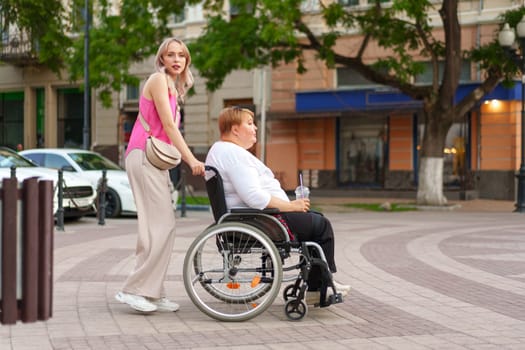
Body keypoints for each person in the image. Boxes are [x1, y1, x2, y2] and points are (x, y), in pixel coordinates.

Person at [205, 106, 350, 301]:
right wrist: (292, 206)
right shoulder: (233, 154)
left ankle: (320, 282)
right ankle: (318, 287)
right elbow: (254, 196)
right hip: (260, 219)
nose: (255, 128)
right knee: (320, 225)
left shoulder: (223, 151)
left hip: (257, 217)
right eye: (249, 123)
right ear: (235, 129)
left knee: (316, 219)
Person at [115, 37, 205, 313]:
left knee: (161, 226)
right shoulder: (156, 79)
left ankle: (152, 291)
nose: (176, 59)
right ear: (162, 59)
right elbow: (167, 125)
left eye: (181, 55)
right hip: (143, 154)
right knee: (160, 225)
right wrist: (191, 160)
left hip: (155, 160)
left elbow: (169, 127)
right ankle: (134, 289)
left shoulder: (174, 89)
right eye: (170, 55)